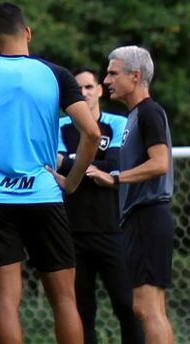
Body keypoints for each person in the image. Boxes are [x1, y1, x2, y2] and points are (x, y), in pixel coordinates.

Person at [0, 2, 100, 344]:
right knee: (65, 299)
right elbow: (92, 134)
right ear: (28, 32)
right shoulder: (55, 74)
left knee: (6, 301)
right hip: (43, 193)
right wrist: (71, 181)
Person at [54, 67, 142, 344]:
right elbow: (49, 166)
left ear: (100, 90)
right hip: (71, 231)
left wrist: (70, 165)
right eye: (78, 89)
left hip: (112, 229)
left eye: (89, 87)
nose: (84, 93)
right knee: (81, 312)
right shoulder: (59, 127)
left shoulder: (116, 123)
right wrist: (93, 170)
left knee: (127, 306)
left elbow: (115, 166)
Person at [96, 46, 174, 344]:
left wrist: (115, 178)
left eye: (113, 73)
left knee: (146, 308)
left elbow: (160, 163)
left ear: (136, 75)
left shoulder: (149, 112)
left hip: (148, 214)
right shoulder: (134, 116)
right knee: (152, 308)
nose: (107, 80)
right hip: (140, 219)